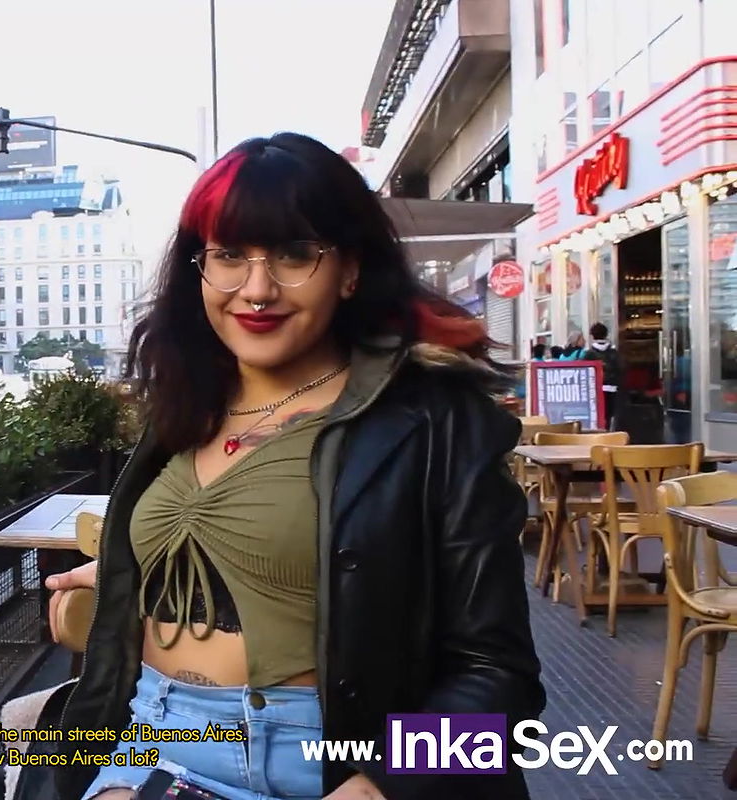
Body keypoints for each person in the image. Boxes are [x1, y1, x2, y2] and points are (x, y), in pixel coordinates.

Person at [37, 134, 544, 800]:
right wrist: (134, 572)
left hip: (322, 767)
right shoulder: (187, 402)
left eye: (295, 254)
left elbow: (502, 677)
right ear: (200, 269)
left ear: (350, 270)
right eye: (228, 256)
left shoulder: (431, 420)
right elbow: (289, 546)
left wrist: (379, 786)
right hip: (149, 742)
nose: (256, 288)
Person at [581, 323, 621, 430]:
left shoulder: (589, 354)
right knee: (609, 414)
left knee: (598, 414)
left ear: (592, 336)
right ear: (606, 334)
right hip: (612, 387)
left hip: (595, 389)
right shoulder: (613, 352)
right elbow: (621, 369)